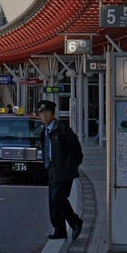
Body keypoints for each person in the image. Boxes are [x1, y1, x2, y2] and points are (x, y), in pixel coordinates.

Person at [36, 99, 83, 240]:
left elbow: (76, 150)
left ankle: (75, 222)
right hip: (51, 170)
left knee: (58, 198)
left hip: (64, 172)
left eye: (46, 113)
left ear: (52, 113)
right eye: (41, 113)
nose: (44, 116)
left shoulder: (62, 129)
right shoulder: (44, 131)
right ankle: (59, 230)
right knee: (53, 202)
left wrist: (70, 166)